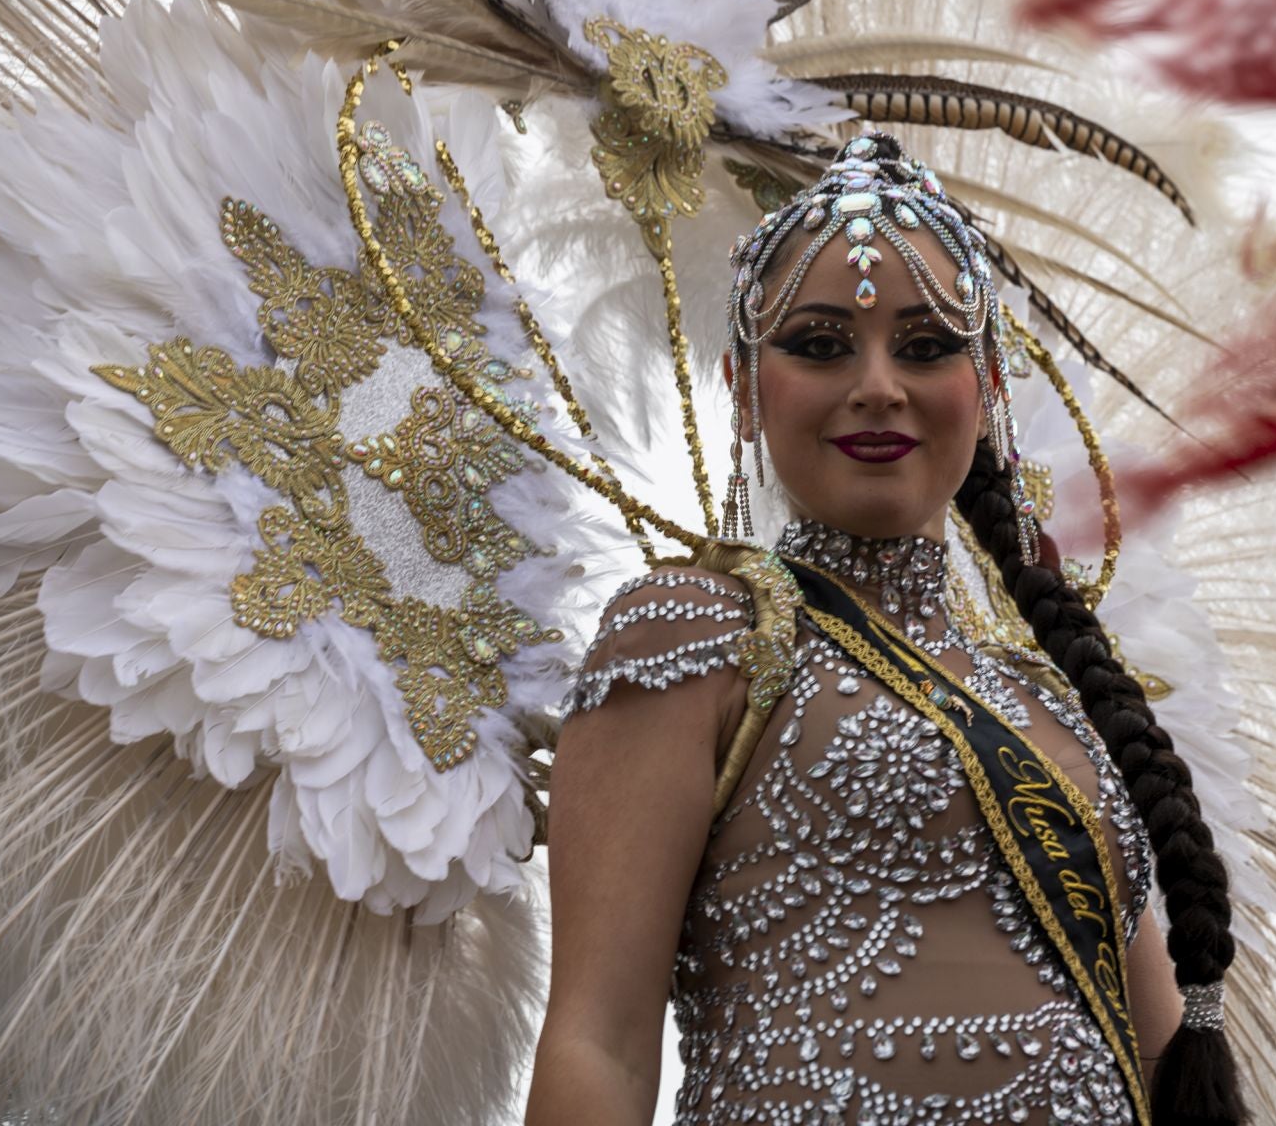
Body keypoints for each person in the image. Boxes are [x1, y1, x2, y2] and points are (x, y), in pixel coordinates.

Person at [527, 135, 1238, 1123]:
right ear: (743, 385)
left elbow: (1165, 1062)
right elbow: (596, 1038)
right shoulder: (697, 631)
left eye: (925, 344)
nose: (876, 384)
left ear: (985, 387)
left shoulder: (1052, 702)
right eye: (820, 344)